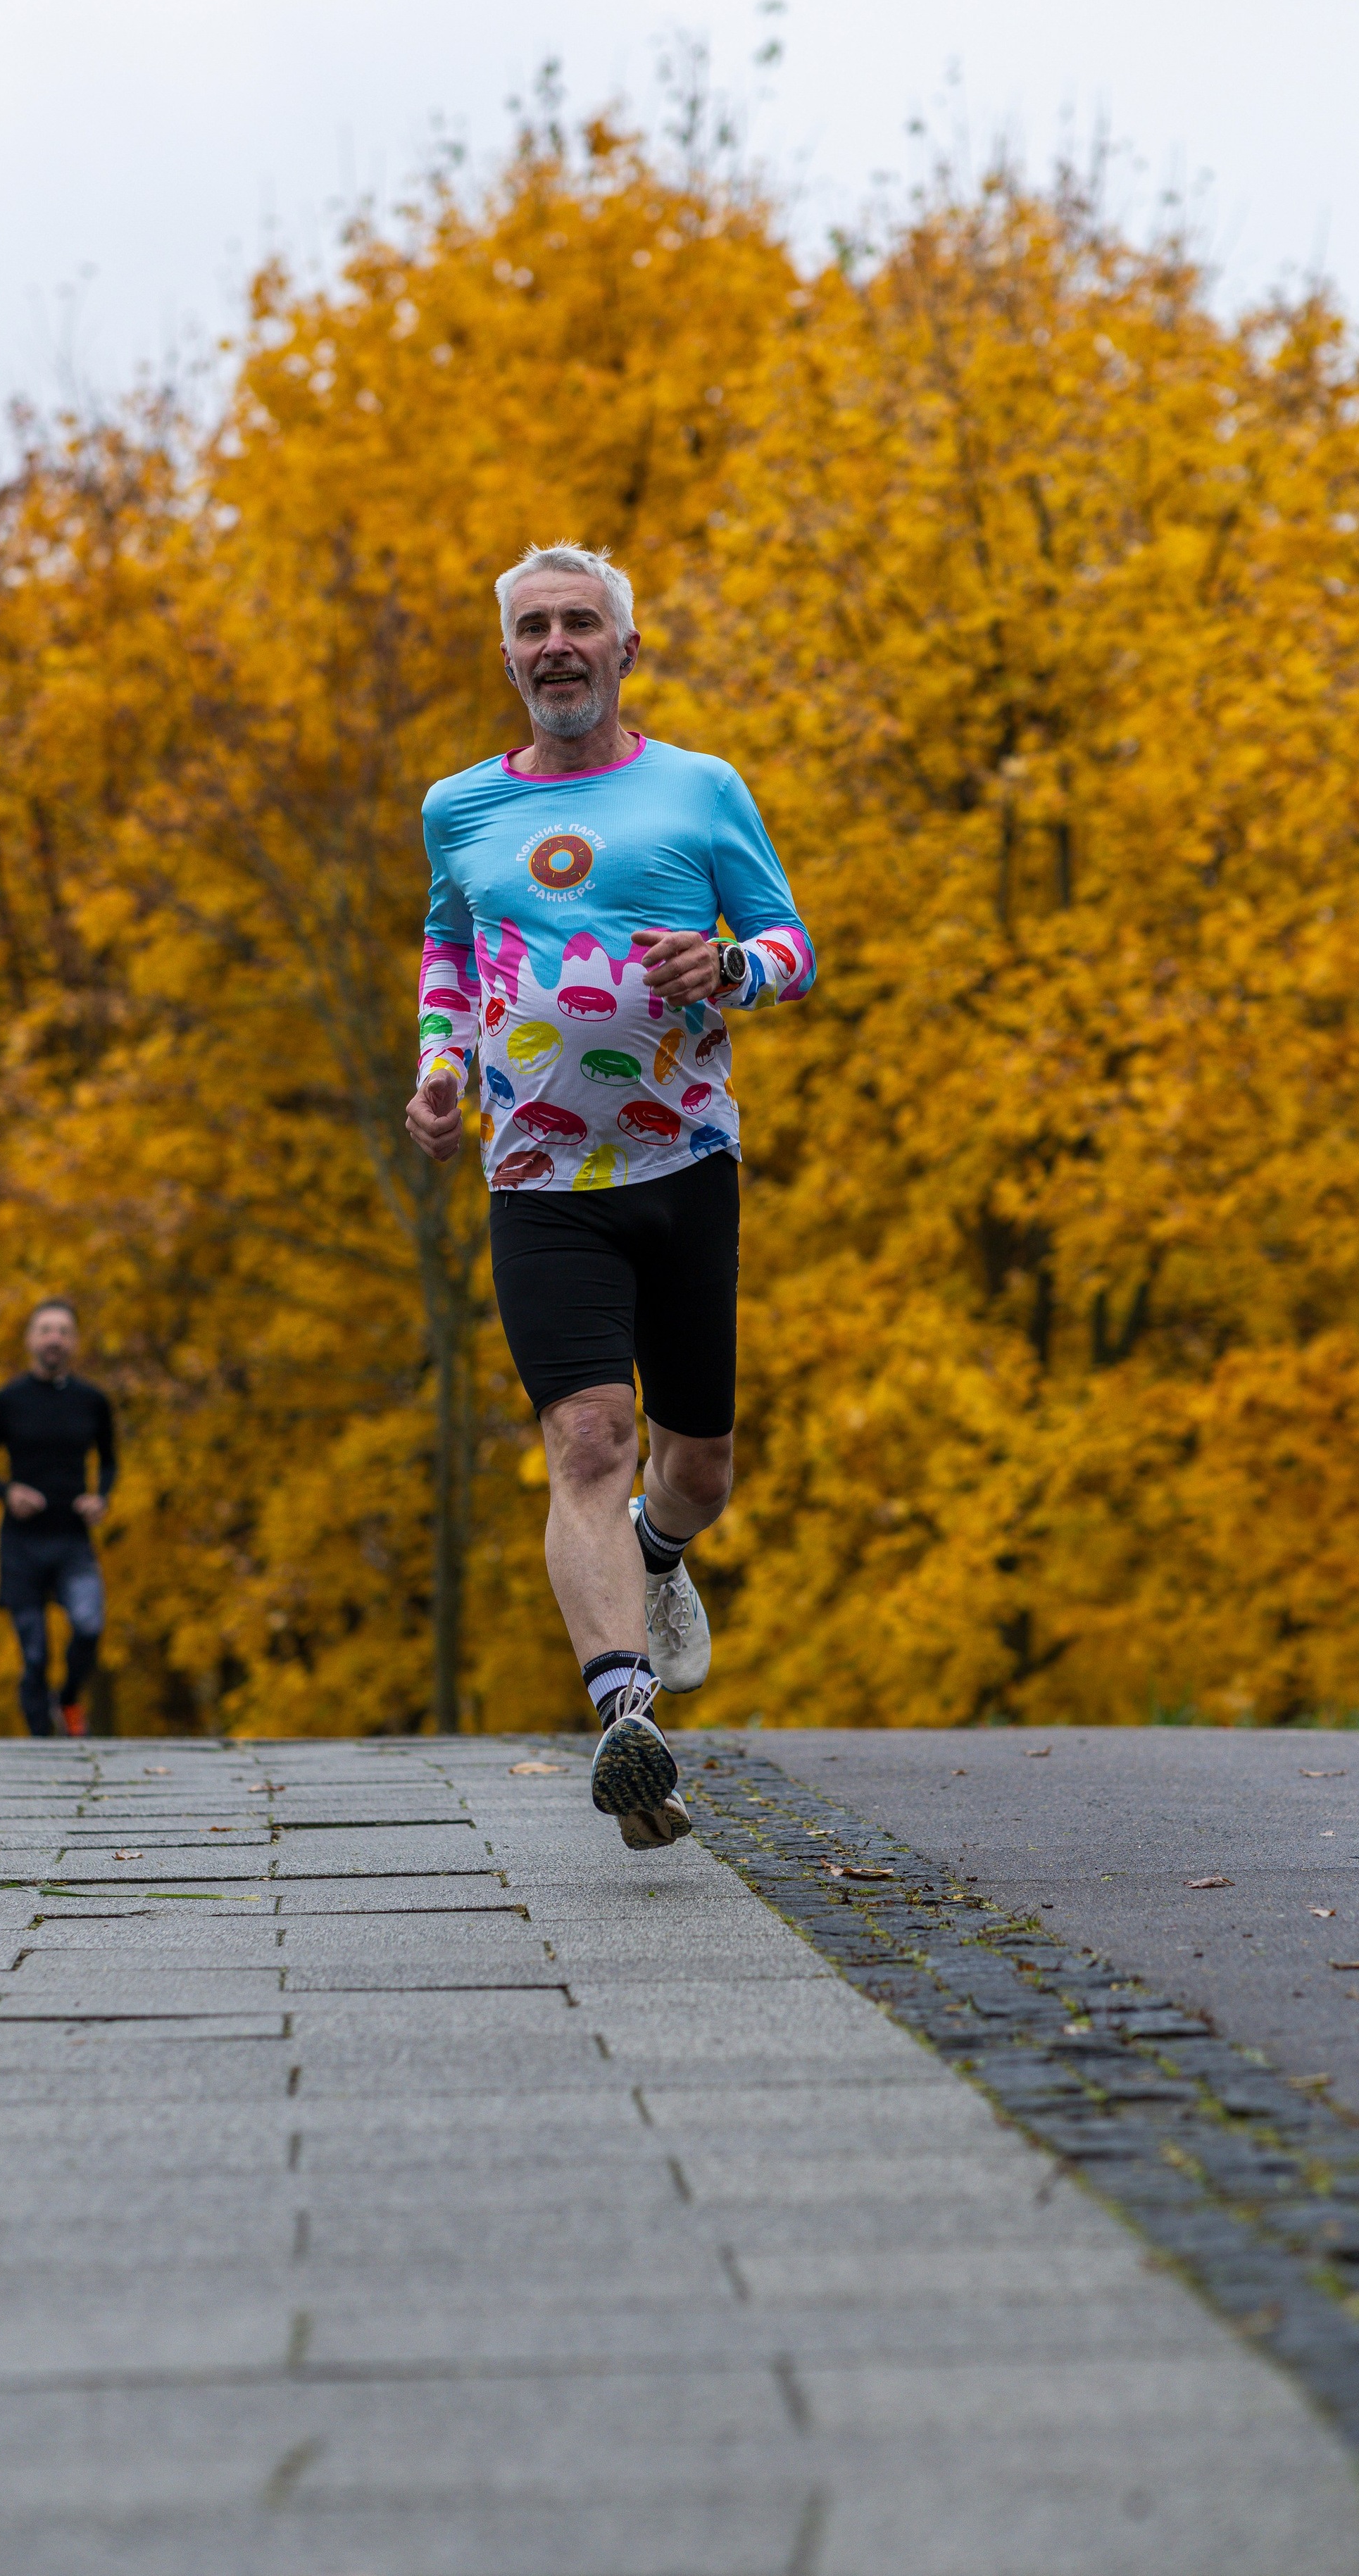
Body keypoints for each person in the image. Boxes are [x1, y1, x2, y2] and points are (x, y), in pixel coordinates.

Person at [406, 542, 814, 1846]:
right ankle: (626, 1716)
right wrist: (436, 1064)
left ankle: (659, 1552)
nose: (558, 644)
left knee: (697, 1465)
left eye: (582, 622)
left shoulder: (702, 787)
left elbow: (794, 945)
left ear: (626, 649)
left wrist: (733, 966)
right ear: (512, 654)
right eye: (534, 627)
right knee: (586, 1437)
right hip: (539, 1176)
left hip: (686, 1162)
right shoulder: (458, 808)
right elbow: (452, 951)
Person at [0, 1301, 117, 1739]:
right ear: (31, 1340)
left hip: (72, 1540)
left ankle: (69, 1696)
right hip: (22, 1545)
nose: (55, 1338)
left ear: (74, 1342)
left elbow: (109, 1463)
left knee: (89, 1626)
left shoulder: (93, 1402)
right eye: (46, 1330)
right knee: (34, 1656)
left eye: (64, 1331)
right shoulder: (5, 1402)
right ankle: (42, 1750)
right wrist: (7, 1492)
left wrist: (101, 1497)